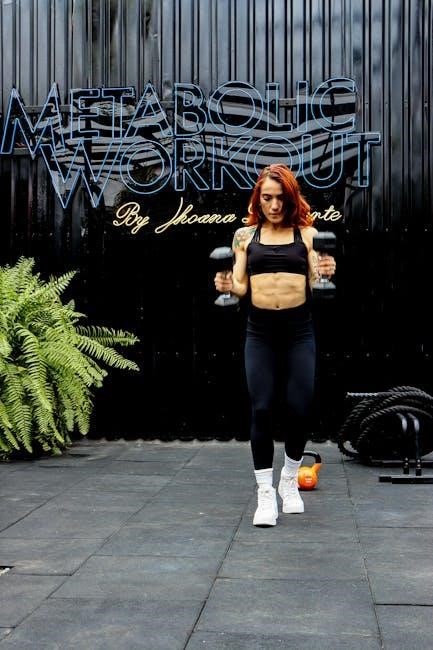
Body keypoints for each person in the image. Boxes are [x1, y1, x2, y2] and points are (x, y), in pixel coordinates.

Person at [214, 164, 336, 527]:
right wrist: (226, 285)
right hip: (261, 333)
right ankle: (265, 493)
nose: (274, 205)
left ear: (291, 198)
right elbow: (240, 286)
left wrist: (325, 270)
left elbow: (315, 282)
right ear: (258, 199)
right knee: (263, 408)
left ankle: (289, 479)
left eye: (281, 197)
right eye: (267, 198)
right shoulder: (244, 236)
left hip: (298, 332)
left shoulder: (308, 235)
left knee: (299, 407)